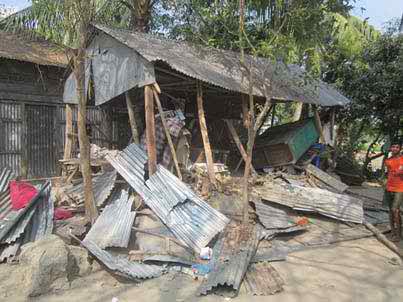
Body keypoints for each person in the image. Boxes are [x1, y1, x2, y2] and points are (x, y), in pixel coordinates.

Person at [384, 140, 403, 241]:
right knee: (391, 211)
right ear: (390, 148)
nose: (395, 148)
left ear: (400, 149)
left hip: (400, 188)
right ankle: (393, 232)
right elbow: (388, 174)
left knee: (395, 210)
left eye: (397, 147)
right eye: (393, 147)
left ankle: (399, 234)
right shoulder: (388, 160)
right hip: (389, 188)